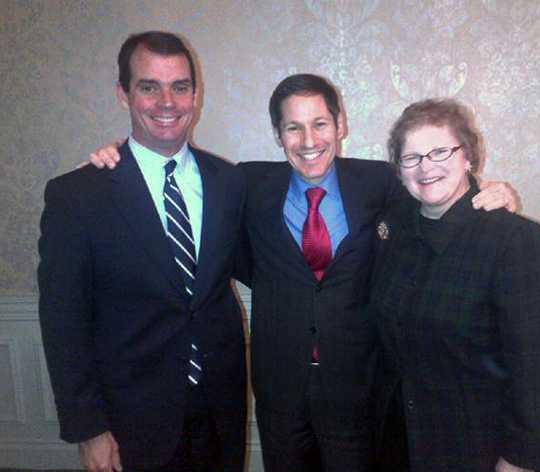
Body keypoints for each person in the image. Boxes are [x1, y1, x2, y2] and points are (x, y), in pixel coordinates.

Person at [88, 74, 518, 472]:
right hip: (280, 390)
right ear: (278, 135)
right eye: (293, 127)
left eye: (320, 124)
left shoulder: (379, 182)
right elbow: (179, 175)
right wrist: (121, 157)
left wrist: (488, 191)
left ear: (340, 124)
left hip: (358, 388)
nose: (308, 140)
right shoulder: (248, 184)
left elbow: (432, 191)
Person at [38, 31, 247, 472]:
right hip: (130, 422)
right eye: (149, 87)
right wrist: (88, 429)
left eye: (180, 86)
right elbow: (63, 323)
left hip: (220, 411)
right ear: (123, 94)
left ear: (196, 93)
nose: (167, 102)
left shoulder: (229, 183)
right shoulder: (78, 196)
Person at [371, 98, 540, 472]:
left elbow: (537, 373)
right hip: (396, 441)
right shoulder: (392, 229)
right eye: (412, 158)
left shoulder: (514, 240)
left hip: (474, 446)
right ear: (399, 170)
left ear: (468, 156)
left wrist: (520, 461)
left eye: (441, 151)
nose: (427, 166)